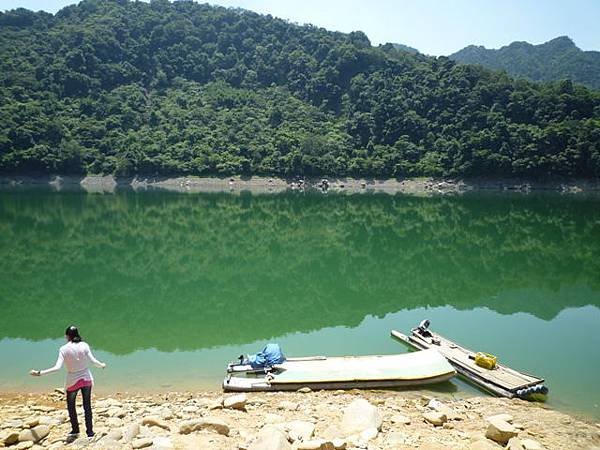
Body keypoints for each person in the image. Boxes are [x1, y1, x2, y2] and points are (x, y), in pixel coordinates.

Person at [30, 326, 106, 440]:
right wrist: (102, 365)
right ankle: (90, 433)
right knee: (87, 406)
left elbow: (57, 368)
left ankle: (75, 430)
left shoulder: (63, 349)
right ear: (77, 334)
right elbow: (93, 361)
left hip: (72, 381)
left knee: (71, 406)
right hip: (86, 379)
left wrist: (39, 373)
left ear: (67, 336)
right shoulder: (84, 345)